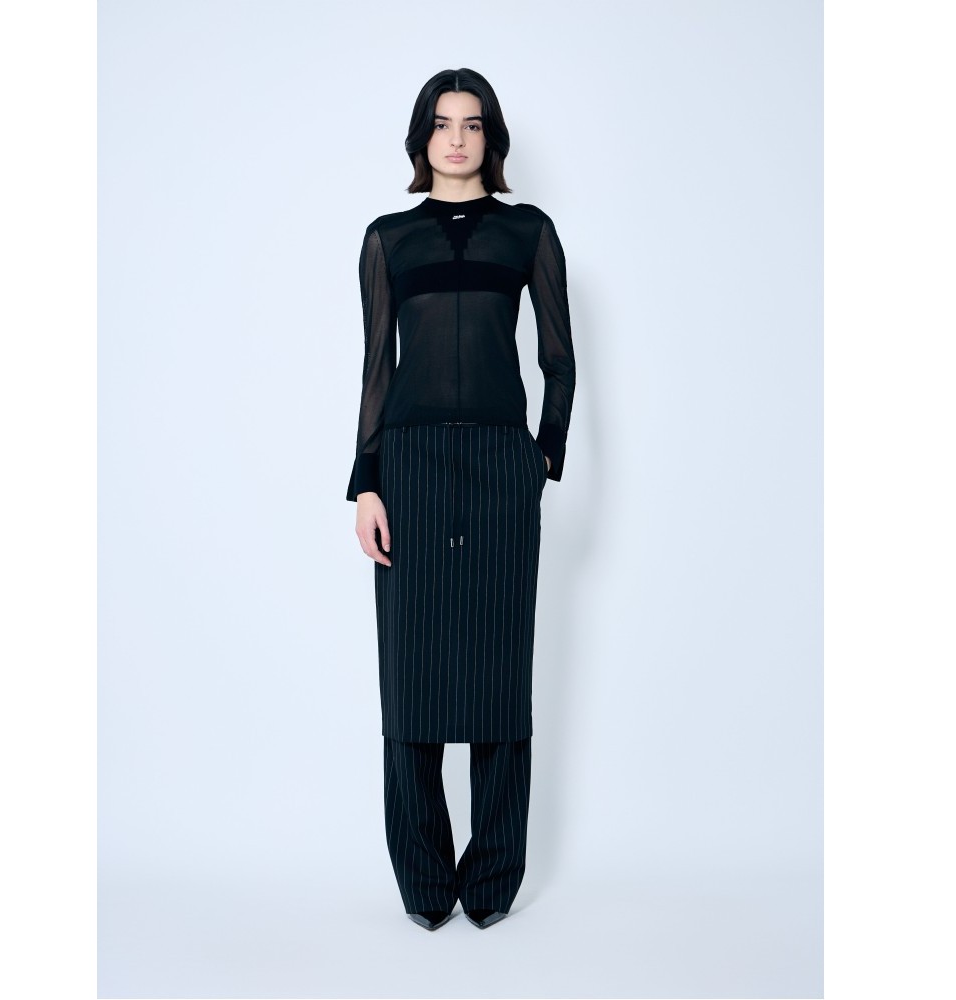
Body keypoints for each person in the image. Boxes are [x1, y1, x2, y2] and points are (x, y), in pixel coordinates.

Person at [346, 68, 576, 931]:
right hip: (407, 467)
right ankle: (423, 884)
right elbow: (377, 369)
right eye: (442, 123)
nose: (456, 138)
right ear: (422, 137)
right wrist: (365, 482)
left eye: (472, 124)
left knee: (497, 672)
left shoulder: (528, 231)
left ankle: (491, 882)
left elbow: (558, 357)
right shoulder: (388, 238)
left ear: (491, 138)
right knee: (410, 674)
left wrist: (540, 456)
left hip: (499, 465)